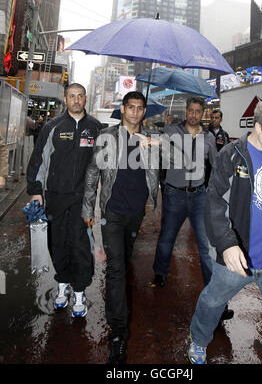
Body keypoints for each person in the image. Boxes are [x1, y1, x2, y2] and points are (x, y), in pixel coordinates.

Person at [188, 98, 262, 364]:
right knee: (212, 302)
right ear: (258, 127)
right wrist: (227, 244)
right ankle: (198, 339)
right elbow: (214, 201)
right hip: (237, 256)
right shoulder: (231, 154)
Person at [81, 91, 160, 365]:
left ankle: (118, 319)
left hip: (136, 213)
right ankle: (118, 333)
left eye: (140, 108)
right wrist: (88, 209)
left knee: (124, 261)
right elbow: (93, 171)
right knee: (116, 269)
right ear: (122, 109)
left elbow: (178, 161)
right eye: (131, 107)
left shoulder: (151, 139)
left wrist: (157, 145)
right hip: (111, 212)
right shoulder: (108, 137)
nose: (135, 112)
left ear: (144, 112)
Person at [152, 97, 234, 321]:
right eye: (191, 110)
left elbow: (216, 166)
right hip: (173, 194)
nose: (194, 115)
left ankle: (217, 296)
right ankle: (160, 272)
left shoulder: (208, 137)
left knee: (207, 247)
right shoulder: (171, 131)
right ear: (186, 111)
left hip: (199, 196)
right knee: (167, 238)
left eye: (198, 111)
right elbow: (155, 147)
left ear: (203, 113)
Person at [26, 83, 103, 317]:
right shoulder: (52, 126)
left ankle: (79, 289)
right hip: (55, 196)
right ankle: (63, 284)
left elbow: (104, 162)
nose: (76, 100)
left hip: (83, 198)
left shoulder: (96, 128)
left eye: (80, 96)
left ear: (86, 98)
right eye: (72, 96)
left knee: (80, 243)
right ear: (65, 99)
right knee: (57, 241)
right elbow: (37, 160)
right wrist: (36, 189)